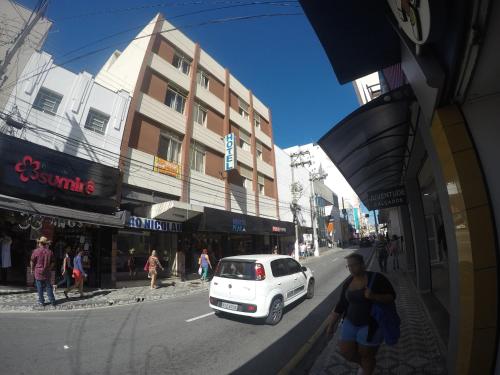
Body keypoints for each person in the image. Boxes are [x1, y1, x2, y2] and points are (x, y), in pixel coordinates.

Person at [326, 253, 396, 375]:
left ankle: (367, 366)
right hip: (350, 322)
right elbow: (341, 304)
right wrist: (331, 324)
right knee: (346, 351)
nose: (351, 268)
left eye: (354, 265)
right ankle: (365, 365)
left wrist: (374, 296)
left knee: (366, 354)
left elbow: (391, 297)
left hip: (370, 325)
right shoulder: (348, 282)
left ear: (362, 265)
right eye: (349, 266)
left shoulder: (377, 278)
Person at [30, 236, 56, 306]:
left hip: (38, 272)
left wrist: (32, 269)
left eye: (38, 243)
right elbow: (53, 262)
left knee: (39, 287)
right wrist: (49, 268)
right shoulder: (50, 252)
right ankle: (52, 301)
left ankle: (41, 301)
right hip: (47, 272)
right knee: (48, 287)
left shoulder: (36, 251)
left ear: (40, 243)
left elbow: (32, 261)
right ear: (45, 244)